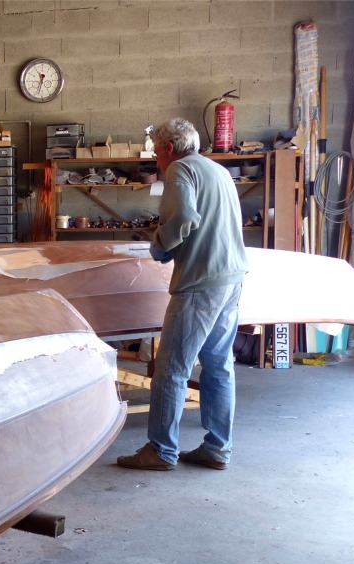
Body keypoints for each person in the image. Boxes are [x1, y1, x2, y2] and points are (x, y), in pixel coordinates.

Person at [116, 117, 249, 471]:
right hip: (232, 278)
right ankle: (218, 448)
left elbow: (183, 218)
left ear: (169, 149)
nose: (156, 161)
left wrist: (158, 248)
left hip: (200, 283)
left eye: (157, 153)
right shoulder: (217, 170)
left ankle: (161, 450)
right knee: (219, 366)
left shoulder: (179, 171)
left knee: (171, 368)